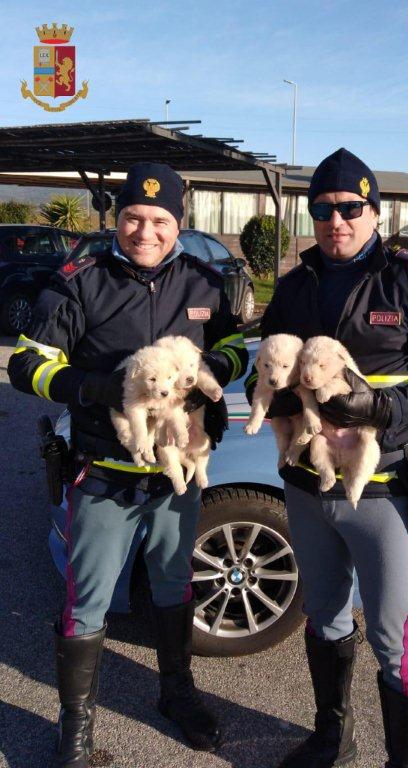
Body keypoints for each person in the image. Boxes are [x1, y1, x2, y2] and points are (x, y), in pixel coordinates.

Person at [244, 148, 408, 768]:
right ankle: (333, 741)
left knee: (391, 640)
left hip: (386, 491)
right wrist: (262, 398)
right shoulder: (295, 286)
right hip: (305, 484)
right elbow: (267, 369)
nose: (337, 221)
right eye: (322, 210)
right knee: (322, 616)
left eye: (351, 208)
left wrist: (380, 409)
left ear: (375, 211)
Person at [8, 162, 247, 767]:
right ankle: (77, 723)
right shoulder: (78, 281)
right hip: (105, 470)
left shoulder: (203, 282)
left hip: (178, 475)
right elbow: (25, 365)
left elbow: (234, 349)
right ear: (117, 219)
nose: (146, 231)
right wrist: (93, 387)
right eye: (134, 217)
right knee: (86, 600)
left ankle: (176, 693)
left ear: (179, 224)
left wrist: (216, 371)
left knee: (172, 586)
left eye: (160, 220)